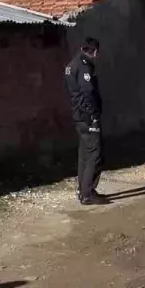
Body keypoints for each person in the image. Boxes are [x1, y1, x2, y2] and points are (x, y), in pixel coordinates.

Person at [64, 37, 107, 205]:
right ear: (94, 52)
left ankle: (83, 189)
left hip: (78, 116)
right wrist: (93, 114)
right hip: (87, 117)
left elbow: (69, 90)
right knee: (95, 155)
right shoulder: (84, 67)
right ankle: (87, 193)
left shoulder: (70, 65)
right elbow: (88, 92)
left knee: (84, 155)